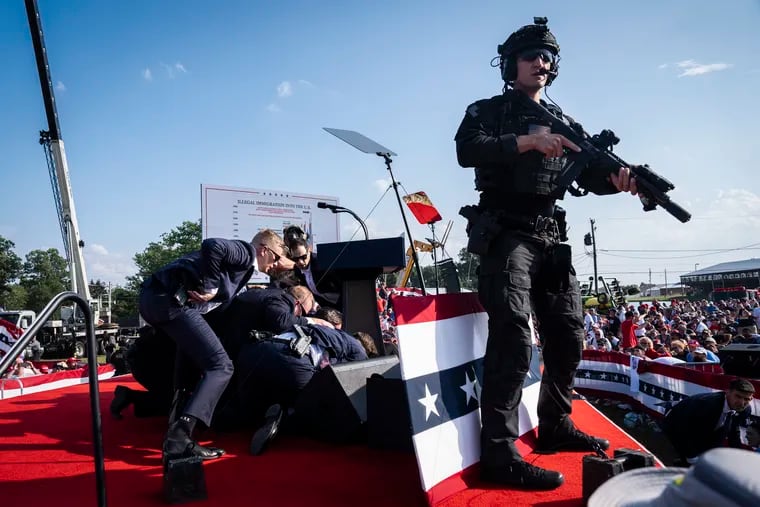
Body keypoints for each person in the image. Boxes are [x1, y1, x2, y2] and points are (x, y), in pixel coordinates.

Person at [454, 17, 642, 490]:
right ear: (510, 64)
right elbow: (466, 150)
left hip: (551, 237)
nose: (541, 62)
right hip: (506, 234)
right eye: (531, 55)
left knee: (567, 335)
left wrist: (618, 183)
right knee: (515, 336)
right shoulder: (487, 110)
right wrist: (527, 142)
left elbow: (592, 175)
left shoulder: (565, 121)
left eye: (547, 57)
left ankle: (555, 423)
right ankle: (499, 452)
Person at [138, 229, 286, 461]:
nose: (276, 264)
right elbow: (213, 245)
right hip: (169, 301)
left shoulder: (245, 270)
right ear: (264, 250)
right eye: (276, 257)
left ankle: (177, 418)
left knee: (189, 355)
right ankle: (180, 435)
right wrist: (211, 286)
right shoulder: (245, 252)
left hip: (156, 300)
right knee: (221, 366)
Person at [661, 378, 756, 465]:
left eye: (746, 399)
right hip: (676, 426)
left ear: (751, 399)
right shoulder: (707, 404)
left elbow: (733, 433)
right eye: (738, 396)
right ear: (727, 392)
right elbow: (683, 430)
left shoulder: (745, 409)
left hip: (707, 431)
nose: (742, 403)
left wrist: (739, 457)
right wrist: (691, 458)